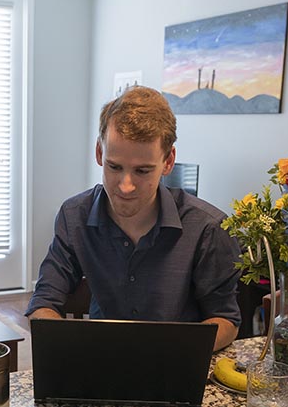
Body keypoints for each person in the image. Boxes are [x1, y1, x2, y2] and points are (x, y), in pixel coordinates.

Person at [26, 86, 241, 351]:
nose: (125, 186)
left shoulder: (207, 228)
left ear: (168, 161)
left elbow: (227, 319)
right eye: (114, 167)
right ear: (99, 153)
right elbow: (43, 304)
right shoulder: (74, 217)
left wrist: (176, 352)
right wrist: (71, 349)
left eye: (142, 171)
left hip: (176, 366)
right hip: (98, 361)